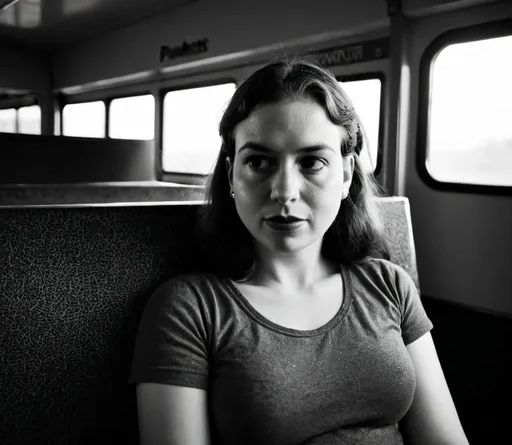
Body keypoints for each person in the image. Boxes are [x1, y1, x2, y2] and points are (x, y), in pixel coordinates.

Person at [129, 59, 469, 445]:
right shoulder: (191, 309)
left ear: (344, 174)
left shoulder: (389, 285)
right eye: (258, 162)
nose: (284, 190)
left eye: (311, 162)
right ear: (231, 175)